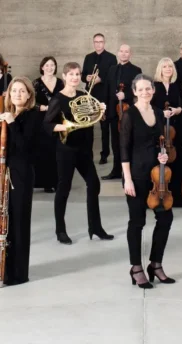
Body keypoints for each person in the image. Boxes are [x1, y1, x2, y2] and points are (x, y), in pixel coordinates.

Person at [44, 62, 113, 245]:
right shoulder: (57, 99)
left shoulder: (84, 95)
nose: (75, 77)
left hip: (84, 149)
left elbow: (92, 118)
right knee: (63, 189)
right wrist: (67, 126)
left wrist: (101, 111)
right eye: (71, 74)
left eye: (77, 74)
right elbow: (47, 125)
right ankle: (60, 230)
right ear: (65, 77)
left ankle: (95, 227)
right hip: (66, 149)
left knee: (94, 184)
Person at [120, 74, 175, 289]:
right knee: (137, 222)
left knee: (165, 219)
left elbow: (162, 143)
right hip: (136, 175)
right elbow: (123, 149)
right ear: (134, 91)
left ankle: (156, 264)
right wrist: (127, 180)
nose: (145, 92)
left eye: (148, 88)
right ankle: (136, 268)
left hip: (158, 176)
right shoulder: (129, 115)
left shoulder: (159, 113)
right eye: (140, 89)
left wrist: (163, 156)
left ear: (153, 90)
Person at [0, 77, 41, 286]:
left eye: (21, 91)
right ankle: (4, 269)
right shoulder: (7, 115)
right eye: (13, 90)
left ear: (28, 95)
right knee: (4, 223)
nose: (17, 94)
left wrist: (12, 123)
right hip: (4, 174)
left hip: (22, 174)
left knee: (18, 222)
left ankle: (19, 273)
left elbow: (25, 147)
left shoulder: (32, 116)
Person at [151, 57, 182, 207]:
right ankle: (160, 194)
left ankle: (179, 196)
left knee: (180, 159)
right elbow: (150, 106)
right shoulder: (154, 86)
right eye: (165, 66)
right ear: (160, 69)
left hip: (174, 129)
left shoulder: (175, 86)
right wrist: (162, 113)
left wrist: (176, 110)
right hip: (159, 127)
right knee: (160, 158)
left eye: (170, 67)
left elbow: (180, 106)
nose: (168, 69)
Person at [102, 44, 142, 180]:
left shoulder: (136, 70)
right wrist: (104, 109)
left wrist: (126, 96)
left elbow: (139, 90)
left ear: (130, 54)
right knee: (115, 143)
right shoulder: (112, 69)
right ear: (118, 53)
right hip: (114, 112)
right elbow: (107, 91)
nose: (124, 54)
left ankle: (130, 171)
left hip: (128, 112)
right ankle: (116, 170)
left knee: (128, 141)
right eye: (121, 51)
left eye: (126, 52)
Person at [82, 33, 117, 164]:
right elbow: (83, 75)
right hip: (90, 96)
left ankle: (104, 154)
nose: (98, 44)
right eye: (96, 42)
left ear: (104, 43)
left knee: (104, 127)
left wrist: (100, 79)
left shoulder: (112, 58)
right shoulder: (88, 57)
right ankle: (88, 154)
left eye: (100, 41)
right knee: (88, 126)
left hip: (105, 96)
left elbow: (112, 76)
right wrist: (87, 78)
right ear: (93, 43)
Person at [33, 56, 64, 192]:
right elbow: (31, 103)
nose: (50, 68)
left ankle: (57, 182)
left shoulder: (60, 83)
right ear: (42, 67)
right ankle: (46, 183)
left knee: (57, 152)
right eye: (47, 65)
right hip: (41, 121)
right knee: (43, 151)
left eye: (52, 65)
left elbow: (64, 98)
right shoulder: (36, 83)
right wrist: (42, 108)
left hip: (57, 120)